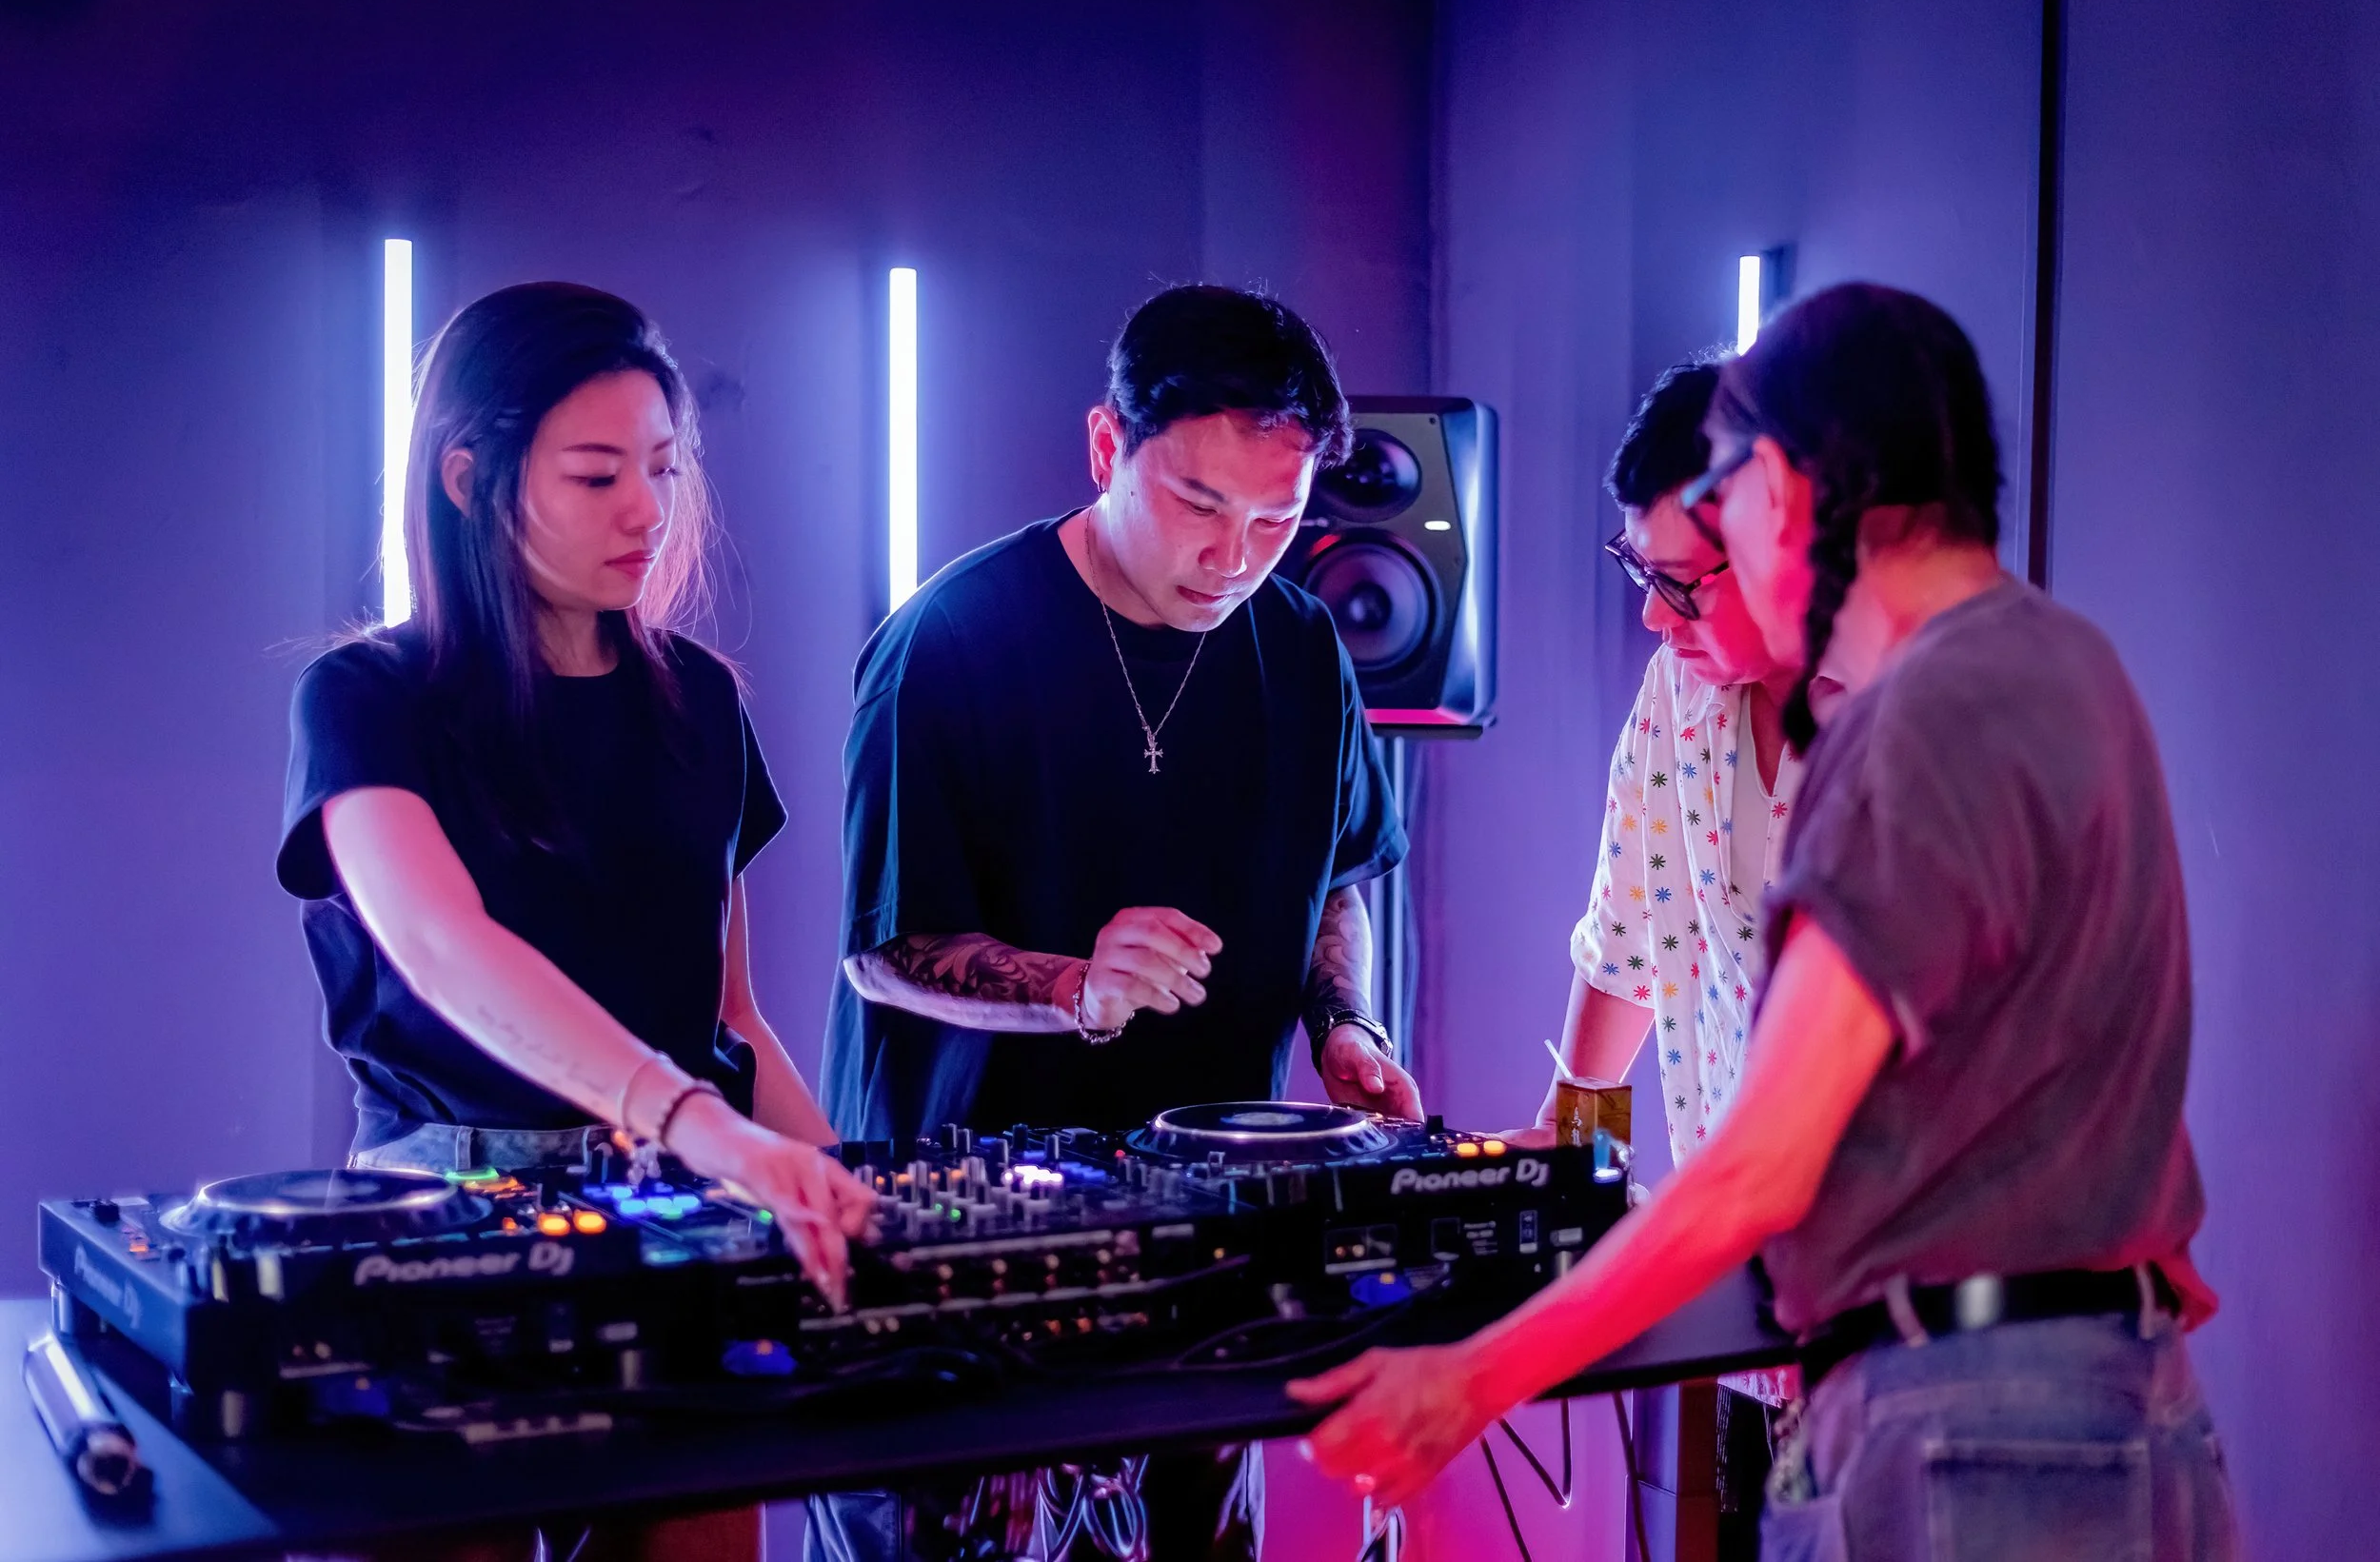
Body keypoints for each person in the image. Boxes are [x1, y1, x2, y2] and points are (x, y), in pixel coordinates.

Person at [1292, 284, 2236, 1561]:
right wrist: (1580, 1131)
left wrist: (1470, 1378)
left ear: (1785, 491)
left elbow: (1763, 1163)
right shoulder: (2064, 665)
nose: (1682, 584)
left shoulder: (1928, 715)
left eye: (1721, 502)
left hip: (1971, 1420)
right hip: (2102, 1400)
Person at [808, 285, 1414, 1562]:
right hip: (959, 1259)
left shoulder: (1304, 648)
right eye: (1199, 504)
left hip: (1205, 1245)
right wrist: (1074, 985)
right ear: (1105, 447)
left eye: (1276, 520)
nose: (1234, 557)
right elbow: (885, 949)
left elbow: (1339, 873)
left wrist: (1346, 1024)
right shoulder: (949, 639)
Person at [276, 287, 873, 1562]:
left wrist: (845, 1191)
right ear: (468, 478)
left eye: (663, 468)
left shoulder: (700, 700)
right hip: (442, 1223)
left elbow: (731, 1017)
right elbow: (443, 947)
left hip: (681, 1217)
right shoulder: (365, 698)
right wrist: (695, 1119)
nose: (646, 511)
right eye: (598, 475)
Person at [1520, 356, 1815, 1552]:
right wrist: (1571, 1152)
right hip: (1749, 1297)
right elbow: (1629, 930)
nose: (1654, 616)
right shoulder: (1677, 693)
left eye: (1682, 585)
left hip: (1898, 1322)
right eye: (1639, 575)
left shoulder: (1905, 718)